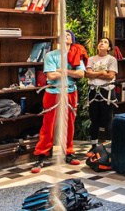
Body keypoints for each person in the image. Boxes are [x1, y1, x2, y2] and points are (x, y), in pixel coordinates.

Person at [32, 30, 86, 173]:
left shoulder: (76, 54)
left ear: (72, 39)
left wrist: (61, 70)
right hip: (53, 92)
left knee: (69, 124)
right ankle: (42, 153)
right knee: (49, 124)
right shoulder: (51, 55)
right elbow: (51, 75)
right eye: (63, 34)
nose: (65, 36)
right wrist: (69, 72)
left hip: (70, 91)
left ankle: (68, 151)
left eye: (68, 34)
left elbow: (81, 74)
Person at [85, 37, 118, 157]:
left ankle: (108, 147)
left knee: (107, 119)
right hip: (93, 90)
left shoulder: (111, 59)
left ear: (109, 47)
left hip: (106, 90)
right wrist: (102, 73)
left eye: (105, 42)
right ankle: (93, 146)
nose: (102, 44)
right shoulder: (91, 59)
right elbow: (87, 74)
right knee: (94, 120)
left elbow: (110, 76)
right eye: (100, 42)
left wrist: (95, 74)